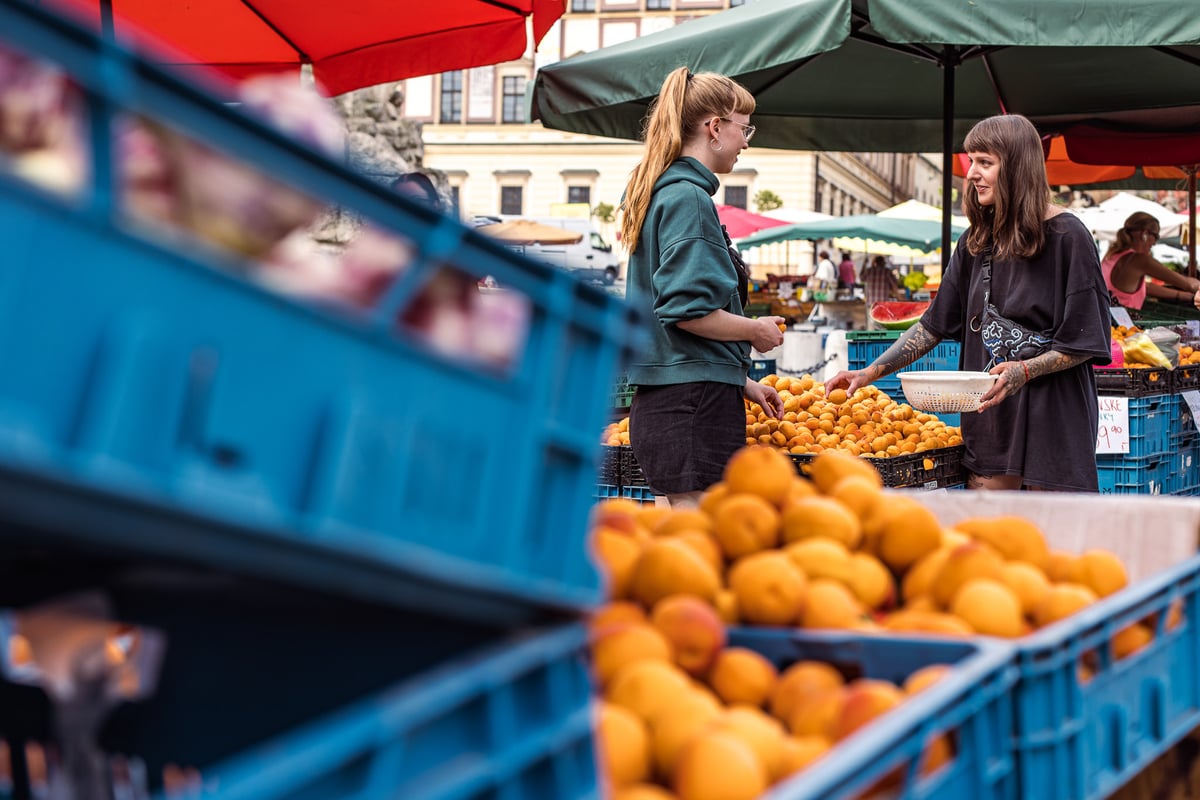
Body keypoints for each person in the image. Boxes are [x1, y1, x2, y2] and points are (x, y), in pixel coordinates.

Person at [825, 114, 1112, 492]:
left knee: (1049, 539)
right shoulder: (976, 242)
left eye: (985, 163)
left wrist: (1023, 371)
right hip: (991, 418)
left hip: (1054, 419)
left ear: (1018, 168)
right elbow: (933, 325)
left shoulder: (1068, 237)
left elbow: (1083, 342)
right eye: (971, 161)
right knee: (988, 536)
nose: (972, 173)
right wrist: (870, 373)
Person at [621, 66, 785, 507]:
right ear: (715, 128)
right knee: (699, 549)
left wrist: (742, 381)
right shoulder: (688, 198)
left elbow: (668, 317)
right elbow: (686, 310)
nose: (747, 140)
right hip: (691, 406)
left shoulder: (663, 191)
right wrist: (755, 331)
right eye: (743, 127)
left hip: (676, 402)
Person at [1101, 211, 1200, 309]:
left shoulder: (1112, 255)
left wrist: (1180, 295)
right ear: (1145, 234)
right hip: (1122, 322)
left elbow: (1146, 287)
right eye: (1156, 236)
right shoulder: (1140, 260)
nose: (1155, 243)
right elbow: (1189, 285)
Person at [861, 255, 904, 330]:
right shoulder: (887, 271)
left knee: (871, 328)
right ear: (883, 263)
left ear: (875, 262)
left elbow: (861, 278)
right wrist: (900, 297)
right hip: (882, 305)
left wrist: (865, 264)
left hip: (871, 304)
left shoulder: (869, 271)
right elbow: (894, 285)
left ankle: (871, 340)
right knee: (882, 327)